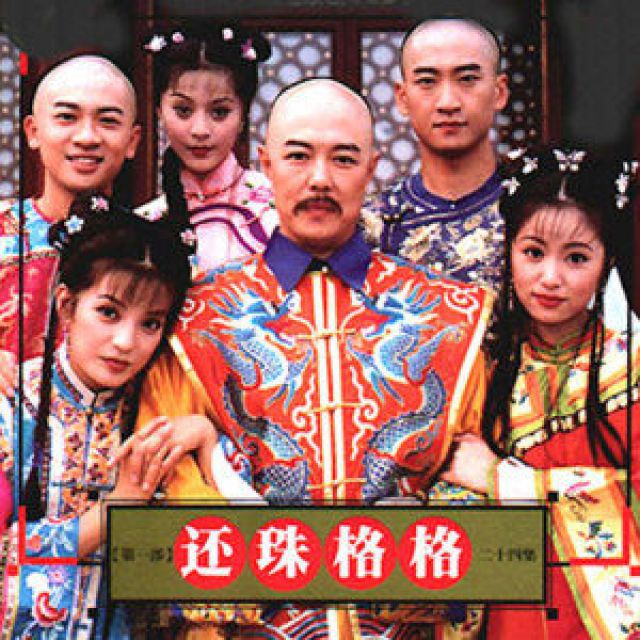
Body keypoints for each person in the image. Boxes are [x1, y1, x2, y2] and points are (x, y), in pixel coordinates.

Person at [137, 78, 493, 639]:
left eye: (343, 159)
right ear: (266, 163)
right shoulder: (196, 318)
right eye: (299, 156)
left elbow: (470, 476)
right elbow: (172, 480)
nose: (320, 179)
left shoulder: (449, 315)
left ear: (372, 168)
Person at [441, 147, 640, 638]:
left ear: (607, 262)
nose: (550, 278)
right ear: (509, 250)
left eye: (576, 258)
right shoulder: (481, 367)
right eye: (533, 252)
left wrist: (503, 480)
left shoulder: (632, 370)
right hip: (510, 613)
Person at [0, 193, 219, 639]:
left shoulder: (164, 413)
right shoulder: (10, 402)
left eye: (150, 323)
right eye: (108, 313)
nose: (125, 342)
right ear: (66, 305)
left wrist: (207, 438)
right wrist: (114, 510)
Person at [0, 53, 141, 392]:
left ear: (132, 141)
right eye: (67, 117)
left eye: (108, 121)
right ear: (33, 131)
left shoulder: (150, 248)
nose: (87, 137)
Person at [361, 16, 509, 294]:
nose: (448, 103)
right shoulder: (374, 225)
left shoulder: (531, 210)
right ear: (402, 98)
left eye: (467, 79)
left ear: (499, 92)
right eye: (427, 81)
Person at [136, 21, 277, 274]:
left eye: (219, 112)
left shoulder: (278, 211)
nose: (200, 130)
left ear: (243, 116)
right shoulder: (142, 224)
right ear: (159, 112)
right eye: (183, 110)